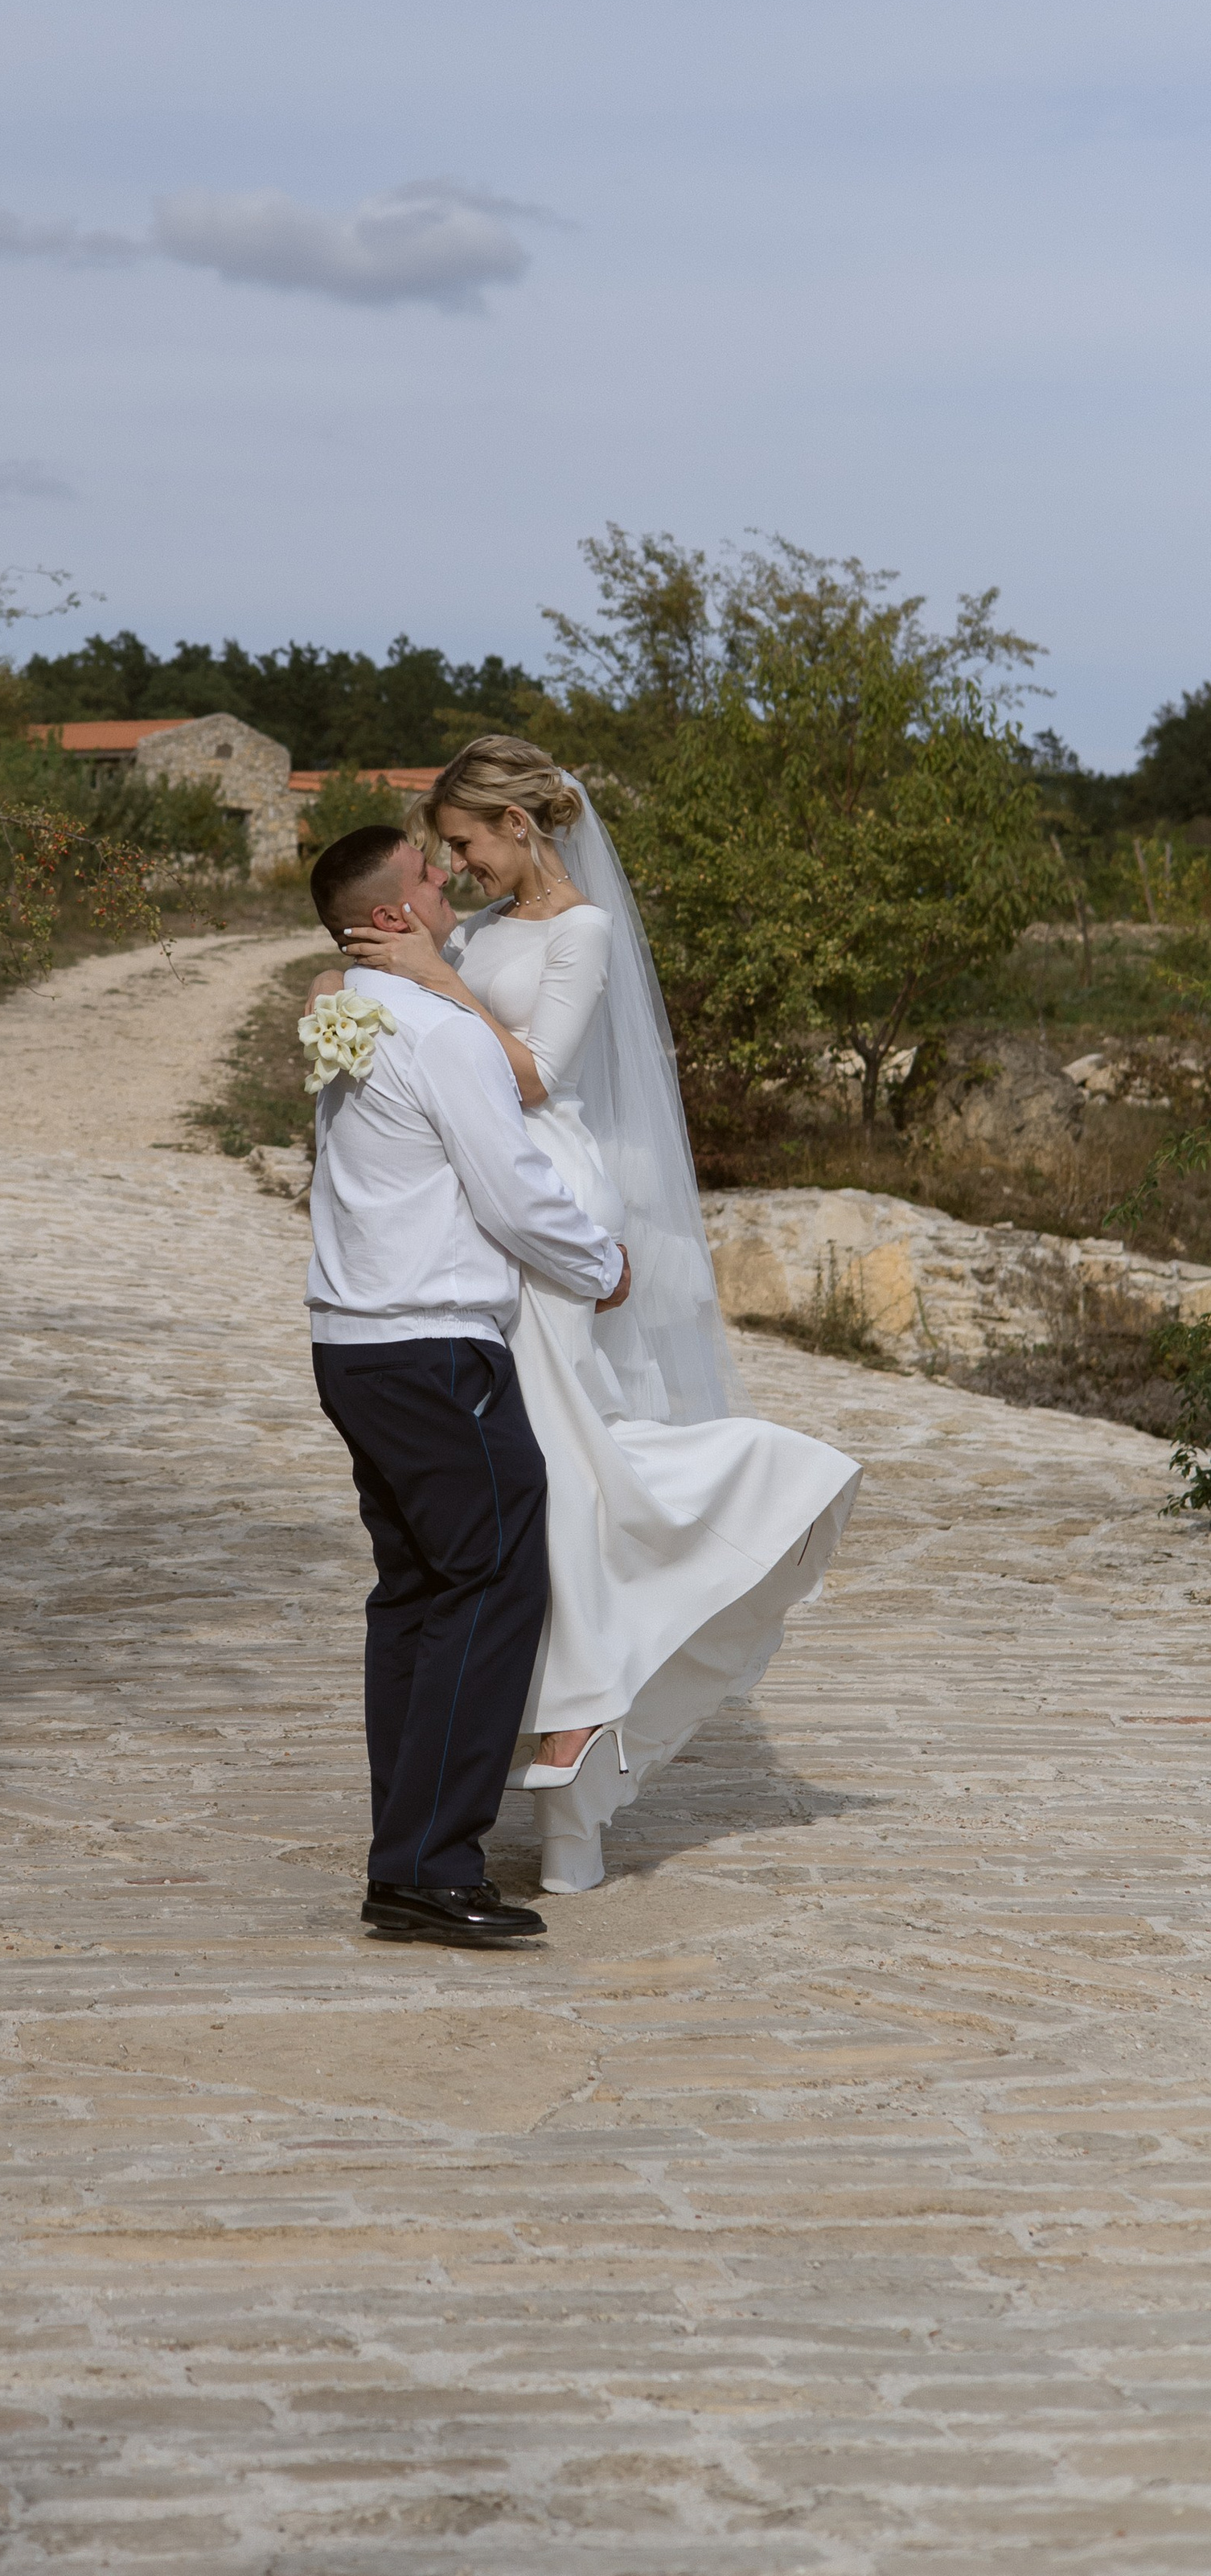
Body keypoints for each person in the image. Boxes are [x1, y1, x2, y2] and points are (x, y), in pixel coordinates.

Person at [311, 739, 860, 1896]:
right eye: (441, 856)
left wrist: (435, 984)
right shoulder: (465, 934)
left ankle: (570, 1727)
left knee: (551, 1473)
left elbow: (530, 1073)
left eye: (464, 843)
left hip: (544, 1190)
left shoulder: (575, 933)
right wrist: (357, 978)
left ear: (522, 825)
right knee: (525, 1493)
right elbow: (379, 985)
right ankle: (532, 1760)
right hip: (483, 1208)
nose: (452, 871)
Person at [305, 821, 633, 1949]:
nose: (446, 879)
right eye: (427, 872)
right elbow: (512, 1190)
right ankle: (432, 1868)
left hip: (350, 1344)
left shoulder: (346, 1017)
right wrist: (603, 1265)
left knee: (414, 1597)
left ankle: (407, 1858)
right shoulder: (440, 1031)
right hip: (434, 1345)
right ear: (393, 916)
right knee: (492, 1585)